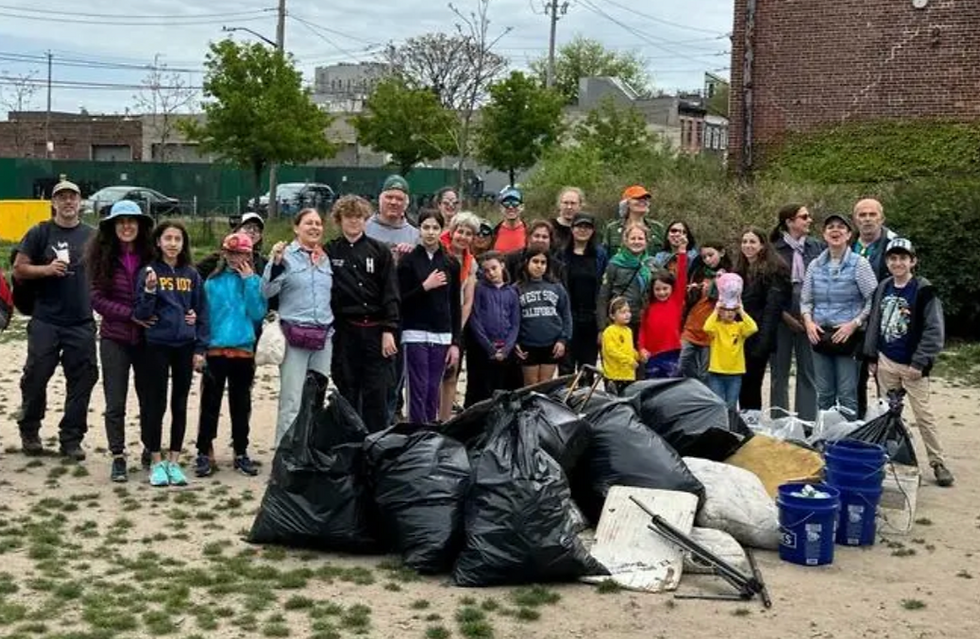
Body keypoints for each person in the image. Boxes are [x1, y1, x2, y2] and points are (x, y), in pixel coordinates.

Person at [13, 179, 98, 460]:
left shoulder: (93, 236)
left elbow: (109, 271)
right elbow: (19, 269)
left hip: (81, 321)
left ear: (80, 201)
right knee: (36, 377)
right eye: (61, 197)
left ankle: (71, 438)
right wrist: (47, 269)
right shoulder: (40, 232)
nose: (68, 202)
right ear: (53, 203)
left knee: (82, 381)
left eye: (72, 197)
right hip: (46, 320)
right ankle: (30, 430)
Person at [862, 238, 953, 487]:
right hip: (885, 360)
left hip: (912, 365)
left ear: (913, 261)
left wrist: (920, 362)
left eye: (903, 258)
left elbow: (934, 330)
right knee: (887, 413)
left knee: (923, 414)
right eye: (893, 258)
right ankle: (890, 458)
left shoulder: (924, 290)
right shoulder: (883, 287)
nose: (897, 263)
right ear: (887, 262)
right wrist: (871, 355)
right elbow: (874, 323)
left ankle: (938, 462)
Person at [134, 221, 209, 487]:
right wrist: (151, 290)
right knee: (156, 403)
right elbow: (141, 314)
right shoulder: (148, 272)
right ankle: (156, 461)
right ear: (158, 242)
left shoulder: (191, 274)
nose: (173, 243)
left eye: (178, 239)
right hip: (156, 345)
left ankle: (174, 461)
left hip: (184, 346)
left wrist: (200, 347)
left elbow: (201, 312)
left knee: (179, 404)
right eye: (168, 238)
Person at [86, 199, 154, 481]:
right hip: (115, 337)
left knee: (149, 397)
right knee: (115, 401)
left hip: (148, 339)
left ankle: (151, 447)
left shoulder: (152, 257)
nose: (126, 226)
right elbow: (97, 299)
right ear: (112, 226)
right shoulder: (101, 258)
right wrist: (131, 315)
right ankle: (117, 455)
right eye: (121, 221)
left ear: (140, 225)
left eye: (131, 221)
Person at [194, 232, 267, 478]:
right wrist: (201, 347)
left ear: (250, 255)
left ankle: (241, 451)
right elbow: (204, 317)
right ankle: (204, 451)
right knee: (210, 403)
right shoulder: (212, 282)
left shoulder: (254, 281)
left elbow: (258, 313)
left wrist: (249, 282)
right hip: (215, 349)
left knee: (241, 404)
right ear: (224, 253)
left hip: (243, 350)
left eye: (243, 254)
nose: (237, 258)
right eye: (233, 253)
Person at [327, 195, 400, 433]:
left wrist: (389, 329)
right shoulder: (329, 251)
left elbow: (391, 293)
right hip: (345, 331)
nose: (354, 221)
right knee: (347, 388)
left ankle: (376, 442)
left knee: (377, 391)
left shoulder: (380, 252)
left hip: (376, 330)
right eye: (349, 216)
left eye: (358, 216)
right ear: (340, 219)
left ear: (366, 219)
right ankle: (349, 443)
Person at [262, 209, 334, 445]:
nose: (314, 227)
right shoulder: (285, 256)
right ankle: (286, 456)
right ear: (296, 228)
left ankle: (307, 450)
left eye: (318, 223)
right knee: (292, 400)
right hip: (294, 336)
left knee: (315, 398)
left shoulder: (325, 258)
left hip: (323, 337)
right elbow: (267, 292)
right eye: (308, 223)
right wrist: (276, 263)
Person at [800, 213, 877, 417]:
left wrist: (855, 323)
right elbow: (806, 300)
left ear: (849, 234)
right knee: (824, 393)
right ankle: (825, 438)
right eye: (830, 227)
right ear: (824, 235)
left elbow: (873, 300)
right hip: (819, 336)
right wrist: (808, 322)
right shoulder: (815, 265)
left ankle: (847, 441)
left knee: (846, 395)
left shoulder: (859, 264)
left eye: (841, 227)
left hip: (847, 337)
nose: (835, 231)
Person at [397, 210, 462, 423]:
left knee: (433, 388)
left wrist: (455, 343)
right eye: (426, 227)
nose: (430, 232)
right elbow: (400, 299)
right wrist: (424, 286)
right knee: (418, 386)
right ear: (419, 230)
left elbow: (455, 305)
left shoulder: (451, 263)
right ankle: (417, 432)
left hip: (441, 334)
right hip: (415, 330)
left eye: (435, 228)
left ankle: (430, 432)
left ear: (442, 230)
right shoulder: (408, 261)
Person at [770, 204, 823, 420]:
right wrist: (784, 315)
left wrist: (810, 315)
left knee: (808, 373)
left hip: (809, 318)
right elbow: (768, 287)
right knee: (779, 374)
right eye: (804, 217)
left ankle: (807, 423)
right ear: (789, 222)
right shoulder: (773, 249)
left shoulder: (817, 247)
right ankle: (779, 423)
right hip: (781, 318)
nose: (809, 220)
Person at [734, 228, 790, 411]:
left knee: (753, 383)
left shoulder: (774, 271)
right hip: (739, 335)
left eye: (752, 242)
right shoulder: (740, 270)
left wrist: (763, 343)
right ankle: (744, 421)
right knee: (742, 384)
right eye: (744, 242)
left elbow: (772, 310)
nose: (747, 246)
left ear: (763, 245)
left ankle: (753, 421)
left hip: (759, 336)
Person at [852, 198, 898, 419]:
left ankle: (888, 432)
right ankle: (858, 428)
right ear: (855, 219)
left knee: (886, 384)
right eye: (862, 215)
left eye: (872, 214)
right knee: (854, 381)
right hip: (854, 322)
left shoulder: (894, 244)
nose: (867, 219)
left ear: (882, 218)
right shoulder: (848, 242)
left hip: (884, 322)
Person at [438, 212, 479, 421]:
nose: (463, 236)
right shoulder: (437, 252)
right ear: (452, 232)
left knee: (451, 374)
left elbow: (468, 300)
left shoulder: (470, 263)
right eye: (460, 231)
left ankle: (445, 421)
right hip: (434, 321)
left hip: (456, 325)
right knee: (432, 374)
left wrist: (457, 329)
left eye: (468, 233)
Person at [465, 251, 520, 407]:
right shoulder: (479, 289)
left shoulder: (512, 291)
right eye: (486, 270)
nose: (491, 273)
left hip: (506, 349)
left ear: (502, 266)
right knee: (481, 391)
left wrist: (507, 348)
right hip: (483, 349)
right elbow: (475, 319)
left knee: (504, 389)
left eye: (494, 268)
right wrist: (489, 348)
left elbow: (515, 323)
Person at [559, 213, 608, 376]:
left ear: (593, 231)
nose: (583, 230)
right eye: (579, 226)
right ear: (572, 229)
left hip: (591, 318)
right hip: (568, 317)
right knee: (566, 367)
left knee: (587, 367)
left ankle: (585, 399)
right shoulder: (561, 255)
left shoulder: (600, 255)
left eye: (587, 227)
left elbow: (604, 286)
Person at [515, 248, 572, 386]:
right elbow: (512, 319)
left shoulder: (556, 287)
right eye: (535, 261)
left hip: (552, 344)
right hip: (528, 344)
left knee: (546, 385)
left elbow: (566, 314)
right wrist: (514, 342)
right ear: (526, 262)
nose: (539, 265)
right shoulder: (517, 288)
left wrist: (563, 340)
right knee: (531, 386)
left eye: (543, 262)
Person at [679, 241, 731, 381]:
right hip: (692, 325)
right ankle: (691, 387)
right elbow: (689, 299)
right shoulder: (698, 273)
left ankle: (703, 398)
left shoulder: (729, 275)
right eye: (704, 257)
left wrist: (717, 283)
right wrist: (693, 290)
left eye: (710, 255)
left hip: (711, 329)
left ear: (721, 252)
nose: (707, 259)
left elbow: (727, 300)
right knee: (681, 362)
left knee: (705, 372)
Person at [597, 222, 652, 351]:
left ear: (646, 241)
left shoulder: (651, 264)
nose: (636, 242)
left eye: (640, 238)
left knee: (641, 363)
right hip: (620, 320)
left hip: (643, 321)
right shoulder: (615, 264)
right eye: (633, 238)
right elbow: (603, 296)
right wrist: (601, 328)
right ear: (625, 241)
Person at [638, 246, 688, 379]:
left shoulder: (675, 301)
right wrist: (641, 348)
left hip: (672, 352)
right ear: (652, 290)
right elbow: (643, 330)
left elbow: (682, 279)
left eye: (665, 288)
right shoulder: (648, 307)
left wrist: (682, 254)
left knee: (671, 389)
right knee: (653, 389)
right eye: (657, 289)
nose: (661, 292)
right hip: (652, 355)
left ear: (672, 288)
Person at [704, 299, 759, 409]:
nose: (729, 313)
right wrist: (716, 310)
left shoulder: (740, 327)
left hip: (735, 373)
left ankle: (731, 425)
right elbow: (707, 328)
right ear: (720, 311)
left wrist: (742, 312)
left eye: (733, 310)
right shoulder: (716, 327)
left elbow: (753, 328)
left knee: (731, 405)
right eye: (726, 310)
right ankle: (719, 426)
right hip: (716, 373)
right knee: (717, 404)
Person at [602, 185, 665, 254]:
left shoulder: (657, 228)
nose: (643, 201)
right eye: (637, 198)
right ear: (626, 204)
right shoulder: (612, 228)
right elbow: (604, 256)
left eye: (646, 199)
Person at [505, 219, 566, 283]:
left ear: (550, 240)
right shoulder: (512, 260)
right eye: (537, 236)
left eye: (544, 237)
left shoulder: (558, 267)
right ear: (529, 237)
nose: (540, 240)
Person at [601, 296, 639, 395]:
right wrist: (628, 360)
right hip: (615, 376)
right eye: (622, 312)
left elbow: (629, 348)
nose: (627, 315)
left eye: (628, 311)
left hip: (628, 374)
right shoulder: (609, 331)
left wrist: (638, 355)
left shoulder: (628, 331)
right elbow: (611, 351)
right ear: (612, 316)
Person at [492, 186, 527, 253]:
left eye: (515, 204)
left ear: (522, 207)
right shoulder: (493, 233)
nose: (510, 207)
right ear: (501, 208)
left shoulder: (529, 232)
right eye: (506, 204)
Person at [551, 186, 585, 251]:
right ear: (559, 205)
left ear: (580, 206)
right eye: (565, 203)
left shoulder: (585, 229)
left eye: (573, 203)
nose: (569, 207)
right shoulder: (550, 227)